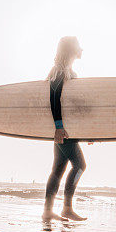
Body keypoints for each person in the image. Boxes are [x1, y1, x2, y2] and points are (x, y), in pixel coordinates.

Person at [43, 36, 87, 221]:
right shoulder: (60, 71)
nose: (82, 49)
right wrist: (59, 127)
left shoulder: (69, 72)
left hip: (67, 130)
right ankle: (67, 208)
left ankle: (48, 211)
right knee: (80, 165)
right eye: (78, 46)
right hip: (63, 130)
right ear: (70, 49)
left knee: (58, 169)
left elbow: (73, 106)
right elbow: (54, 99)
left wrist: (89, 131)